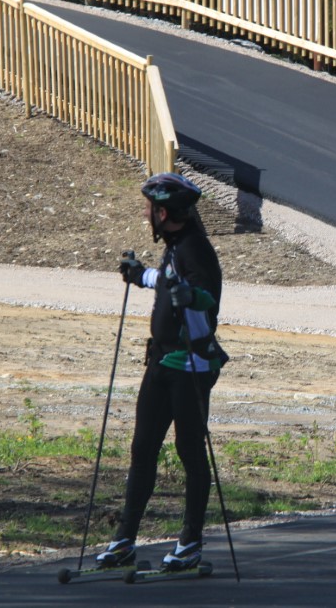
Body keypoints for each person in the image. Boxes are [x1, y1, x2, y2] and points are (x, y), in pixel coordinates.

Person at [97, 172, 228, 571]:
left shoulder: (196, 249)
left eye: (149, 208)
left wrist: (193, 296)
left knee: (189, 451)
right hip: (161, 362)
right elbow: (168, 281)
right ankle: (124, 539)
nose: (144, 213)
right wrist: (140, 276)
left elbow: (207, 295)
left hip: (191, 366)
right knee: (143, 449)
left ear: (163, 212)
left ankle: (190, 542)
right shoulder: (175, 245)